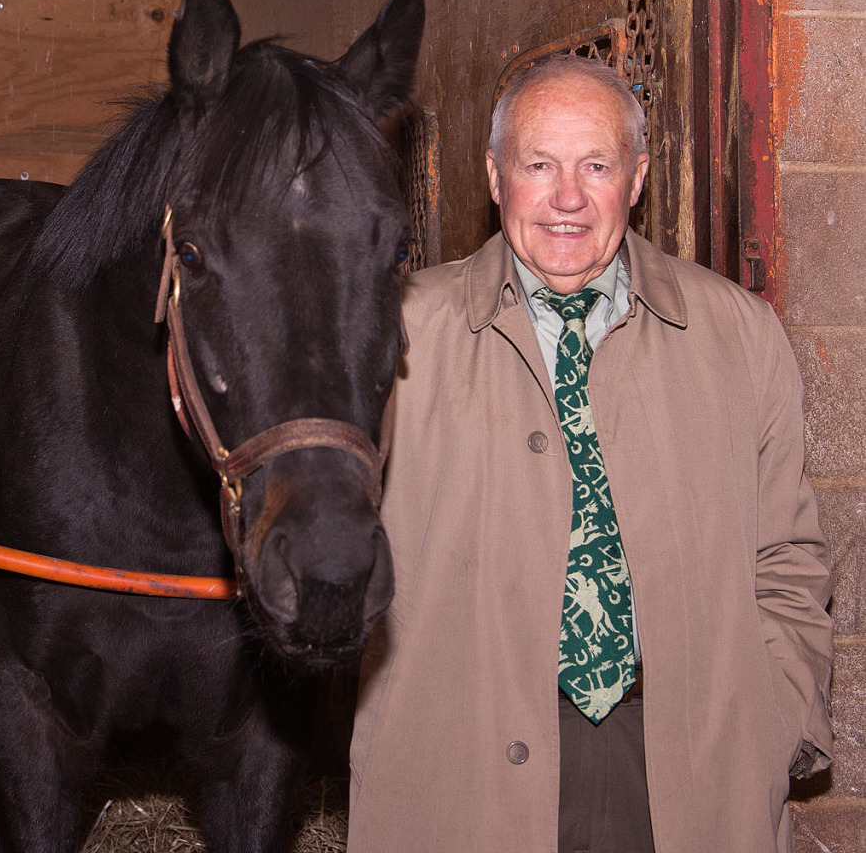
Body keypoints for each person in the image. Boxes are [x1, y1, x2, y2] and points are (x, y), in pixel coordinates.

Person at [347, 55, 833, 853]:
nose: (566, 197)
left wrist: (774, 728)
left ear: (635, 178)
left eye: (595, 165)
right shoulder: (395, 335)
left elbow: (786, 558)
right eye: (538, 164)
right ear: (495, 178)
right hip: (457, 776)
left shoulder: (738, 334)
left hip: (692, 772)